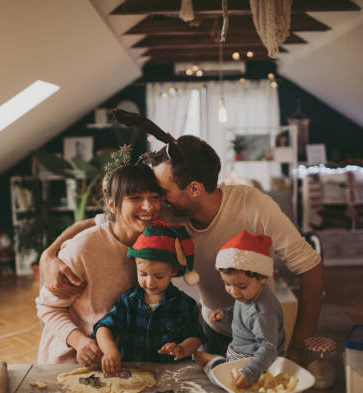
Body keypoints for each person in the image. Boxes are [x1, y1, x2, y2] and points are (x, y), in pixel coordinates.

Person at [40, 133, 323, 362]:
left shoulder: (255, 206)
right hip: (211, 330)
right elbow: (104, 221)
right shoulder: (168, 211)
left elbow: (309, 266)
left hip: (259, 333)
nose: (154, 203)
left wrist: (298, 346)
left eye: (161, 192)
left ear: (195, 190)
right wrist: (50, 253)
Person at [35, 162, 162, 365]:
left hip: (121, 361)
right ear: (112, 204)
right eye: (135, 198)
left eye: (154, 198)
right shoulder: (83, 248)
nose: (148, 206)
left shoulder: (156, 243)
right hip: (71, 361)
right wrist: (80, 342)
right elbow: (48, 308)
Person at [94, 220, 203, 376]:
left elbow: (196, 336)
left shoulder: (184, 304)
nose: (150, 282)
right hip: (131, 374)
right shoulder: (128, 300)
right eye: (143, 274)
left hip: (171, 375)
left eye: (158, 276)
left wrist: (182, 348)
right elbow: (103, 328)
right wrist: (110, 350)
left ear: (173, 271)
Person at [195, 230, 285, 389]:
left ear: (263, 277)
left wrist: (249, 373)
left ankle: (214, 361)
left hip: (254, 364)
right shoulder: (249, 295)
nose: (234, 292)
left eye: (241, 286)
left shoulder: (262, 312)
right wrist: (227, 314)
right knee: (201, 360)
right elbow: (243, 313)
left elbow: (269, 348)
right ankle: (214, 360)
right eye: (228, 284)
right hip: (240, 353)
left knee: (216, 376)